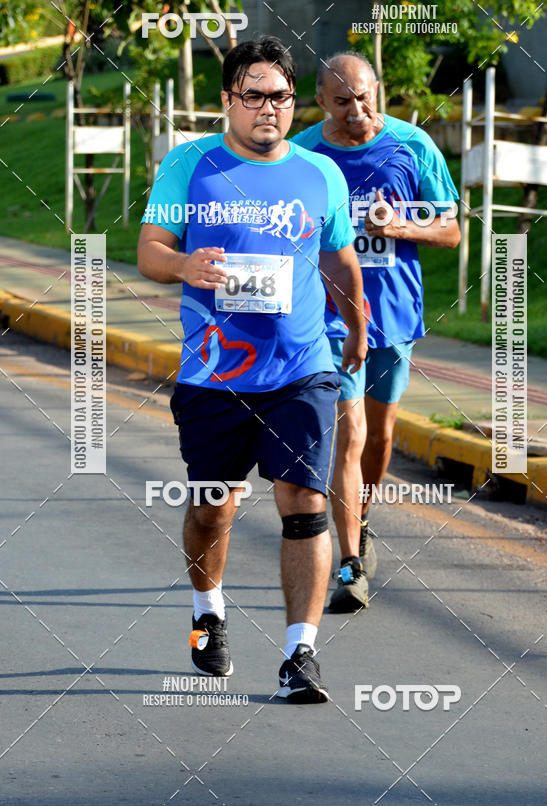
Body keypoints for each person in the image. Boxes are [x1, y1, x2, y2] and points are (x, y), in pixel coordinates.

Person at [137, 36, 367, 703]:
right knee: (214, 508)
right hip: (214, 374)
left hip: (302, 368)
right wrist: (183, 266)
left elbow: (339, 259)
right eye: (254, 95)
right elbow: (150, 250)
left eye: (281, 96)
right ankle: (207, 611)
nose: (268, 108)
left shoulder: (321, 173)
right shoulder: (191, 165)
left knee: (306, 503)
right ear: (228, 101)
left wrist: (355, 327)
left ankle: (302, 655)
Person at [293, 51, 460, 612]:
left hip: (393, 316)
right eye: (342, 101)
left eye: (365, 97)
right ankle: (350, 563)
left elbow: (452, 229)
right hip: (328, 317)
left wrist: (402, 225)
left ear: (377, 90)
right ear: (321, 101)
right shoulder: (305, 155)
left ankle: (360, 518)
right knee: (350, 434)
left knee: (381, 438)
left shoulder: (413, 145)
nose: (357, 110)